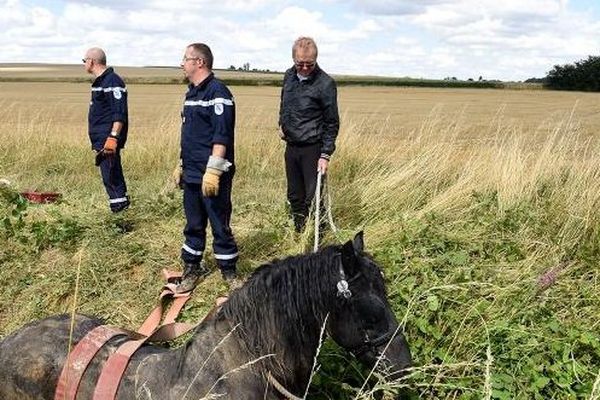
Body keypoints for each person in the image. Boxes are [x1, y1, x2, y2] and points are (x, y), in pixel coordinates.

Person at [175, 43, 239, 293]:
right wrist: (181, 163)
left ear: (199, 62)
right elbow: (189, 135)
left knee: (218, 221)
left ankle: (229, 272)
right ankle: (192, 268)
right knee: (193, 223)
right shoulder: (191, 93)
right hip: (191, 171)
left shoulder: (218, 92)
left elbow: (221, 136)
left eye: (185, 59)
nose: (182, 63)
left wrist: (213, 172)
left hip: (212, 173)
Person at [278, 37, 340, 232]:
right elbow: (284, 103)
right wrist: (281, 123)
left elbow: (332, 122)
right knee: (294, 196)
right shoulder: (288, 76)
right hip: (291, 146)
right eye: (300, 64)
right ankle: (299, 233)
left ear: (316, 59)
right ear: (293, 59)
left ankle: (320, 239)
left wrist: (325, 154)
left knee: (313, 197)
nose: (304, 68)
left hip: (313, 148)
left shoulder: (325, 83)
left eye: (309, 64)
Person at [83, 47, 130, 213]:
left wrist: (113, 137)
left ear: (91, 61)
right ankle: (119, 210)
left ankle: (121, 216)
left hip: (108, 140)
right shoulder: (101, 81)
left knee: (112, 177)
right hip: (101, 139)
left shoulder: (112, 81)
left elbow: (119, 113)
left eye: (84, 61)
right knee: (109, 176)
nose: (84, 64)